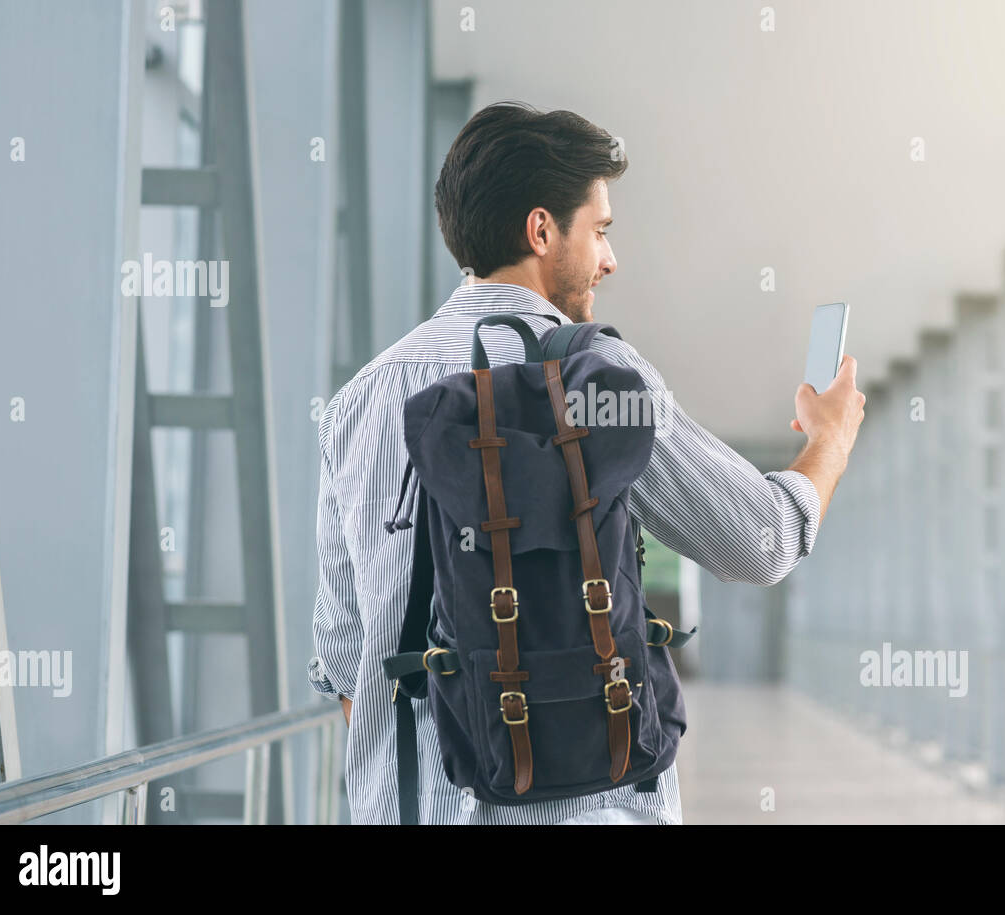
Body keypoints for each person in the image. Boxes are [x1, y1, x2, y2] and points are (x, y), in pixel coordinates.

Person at [307, 101, 865, 824]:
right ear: (541, 230)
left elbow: (347, 667)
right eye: (599, 230)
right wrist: (831, 441)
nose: (610, 257)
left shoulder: (359, 402)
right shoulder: (600, 381)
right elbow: (762, 541)